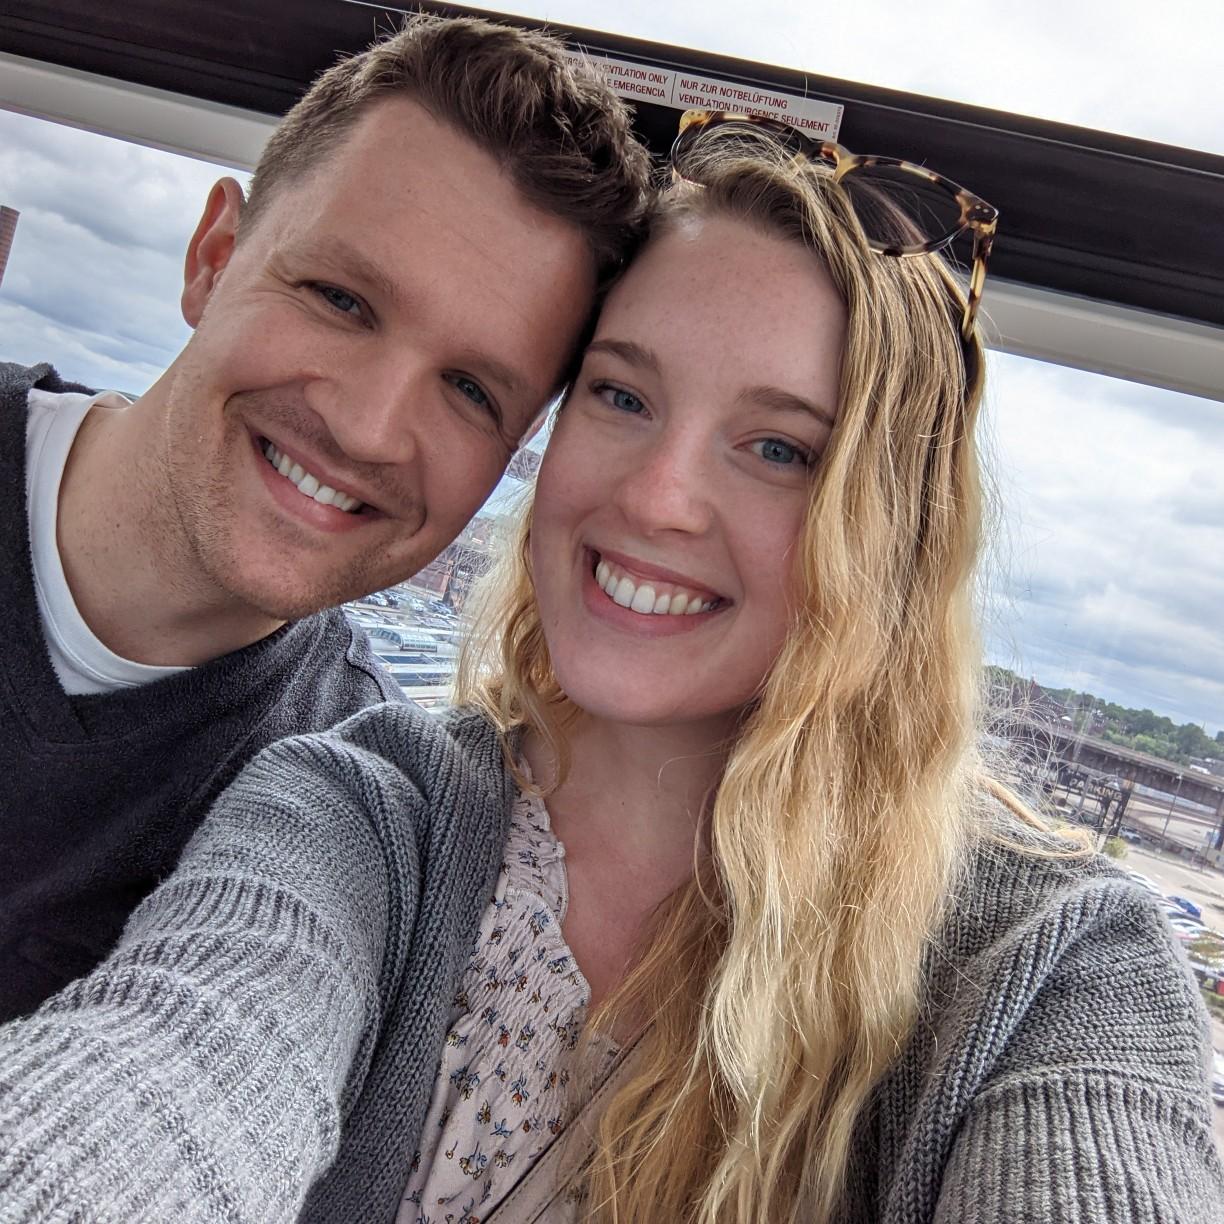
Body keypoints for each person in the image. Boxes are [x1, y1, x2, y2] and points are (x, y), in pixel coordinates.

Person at [1, 116, 1219, 1224]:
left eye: (780, 448)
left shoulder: (1054, 967)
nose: (655, 496)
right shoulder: (363, 809)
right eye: (623, 394)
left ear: (892, 527)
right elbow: (180, 1057)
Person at [0, 14, 651, 1020]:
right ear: (213, 257)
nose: (370, 428)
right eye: (342, 300)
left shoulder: (351, 800)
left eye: (473, 391)